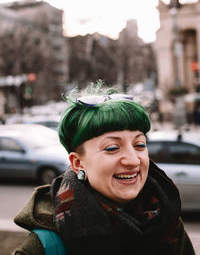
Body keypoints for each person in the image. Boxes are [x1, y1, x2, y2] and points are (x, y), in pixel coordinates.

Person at [13, 84, 195, 255]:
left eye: (139, 145)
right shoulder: (44, 246)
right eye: (112, 148)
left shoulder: (168, 220)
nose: (133, 160)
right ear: (77, 163)